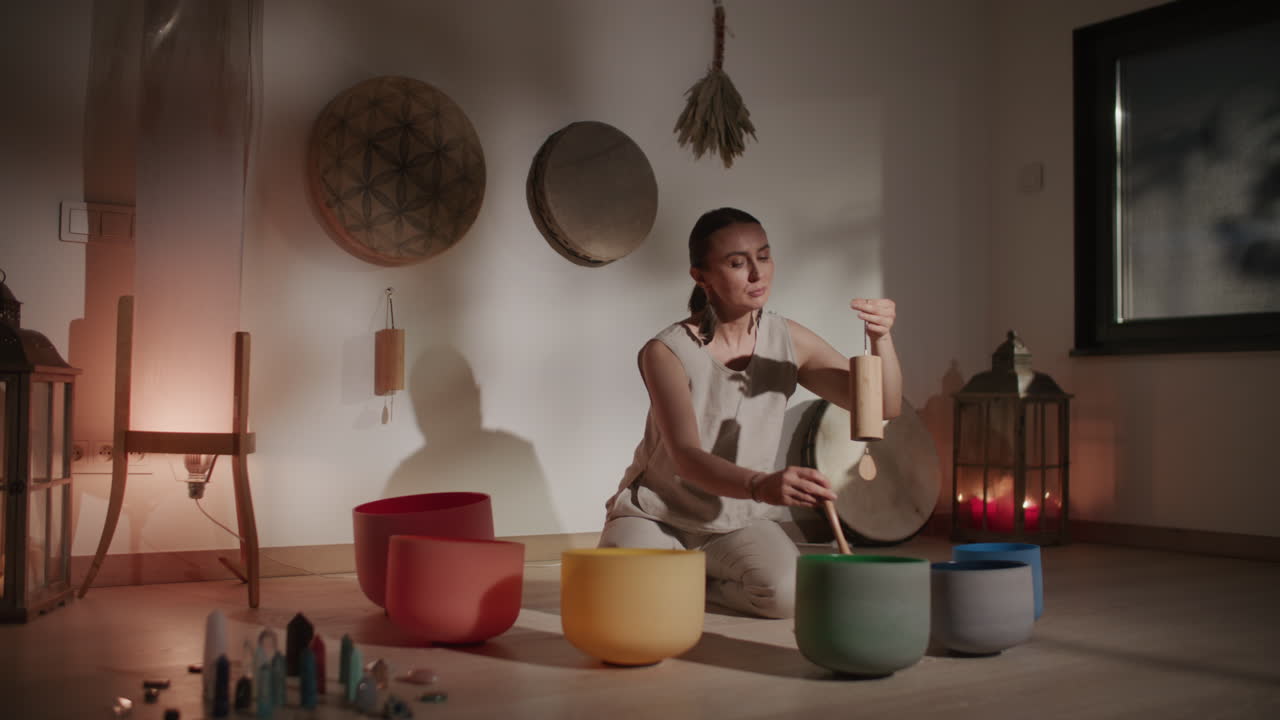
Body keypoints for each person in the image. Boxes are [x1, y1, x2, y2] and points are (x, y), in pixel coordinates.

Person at [600, 207, 902, 618]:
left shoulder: (788, 339)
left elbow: (885, 405)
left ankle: (692, 584)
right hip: (658, 514)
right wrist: (761, 484)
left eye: (764, 256)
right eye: (737, 263)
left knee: (788, 596)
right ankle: (671, 575)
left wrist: (882, 338)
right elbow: (686, 458)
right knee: (621, 601)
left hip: (736, 519)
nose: (758, 274)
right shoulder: (667, 351)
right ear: (701, 276)